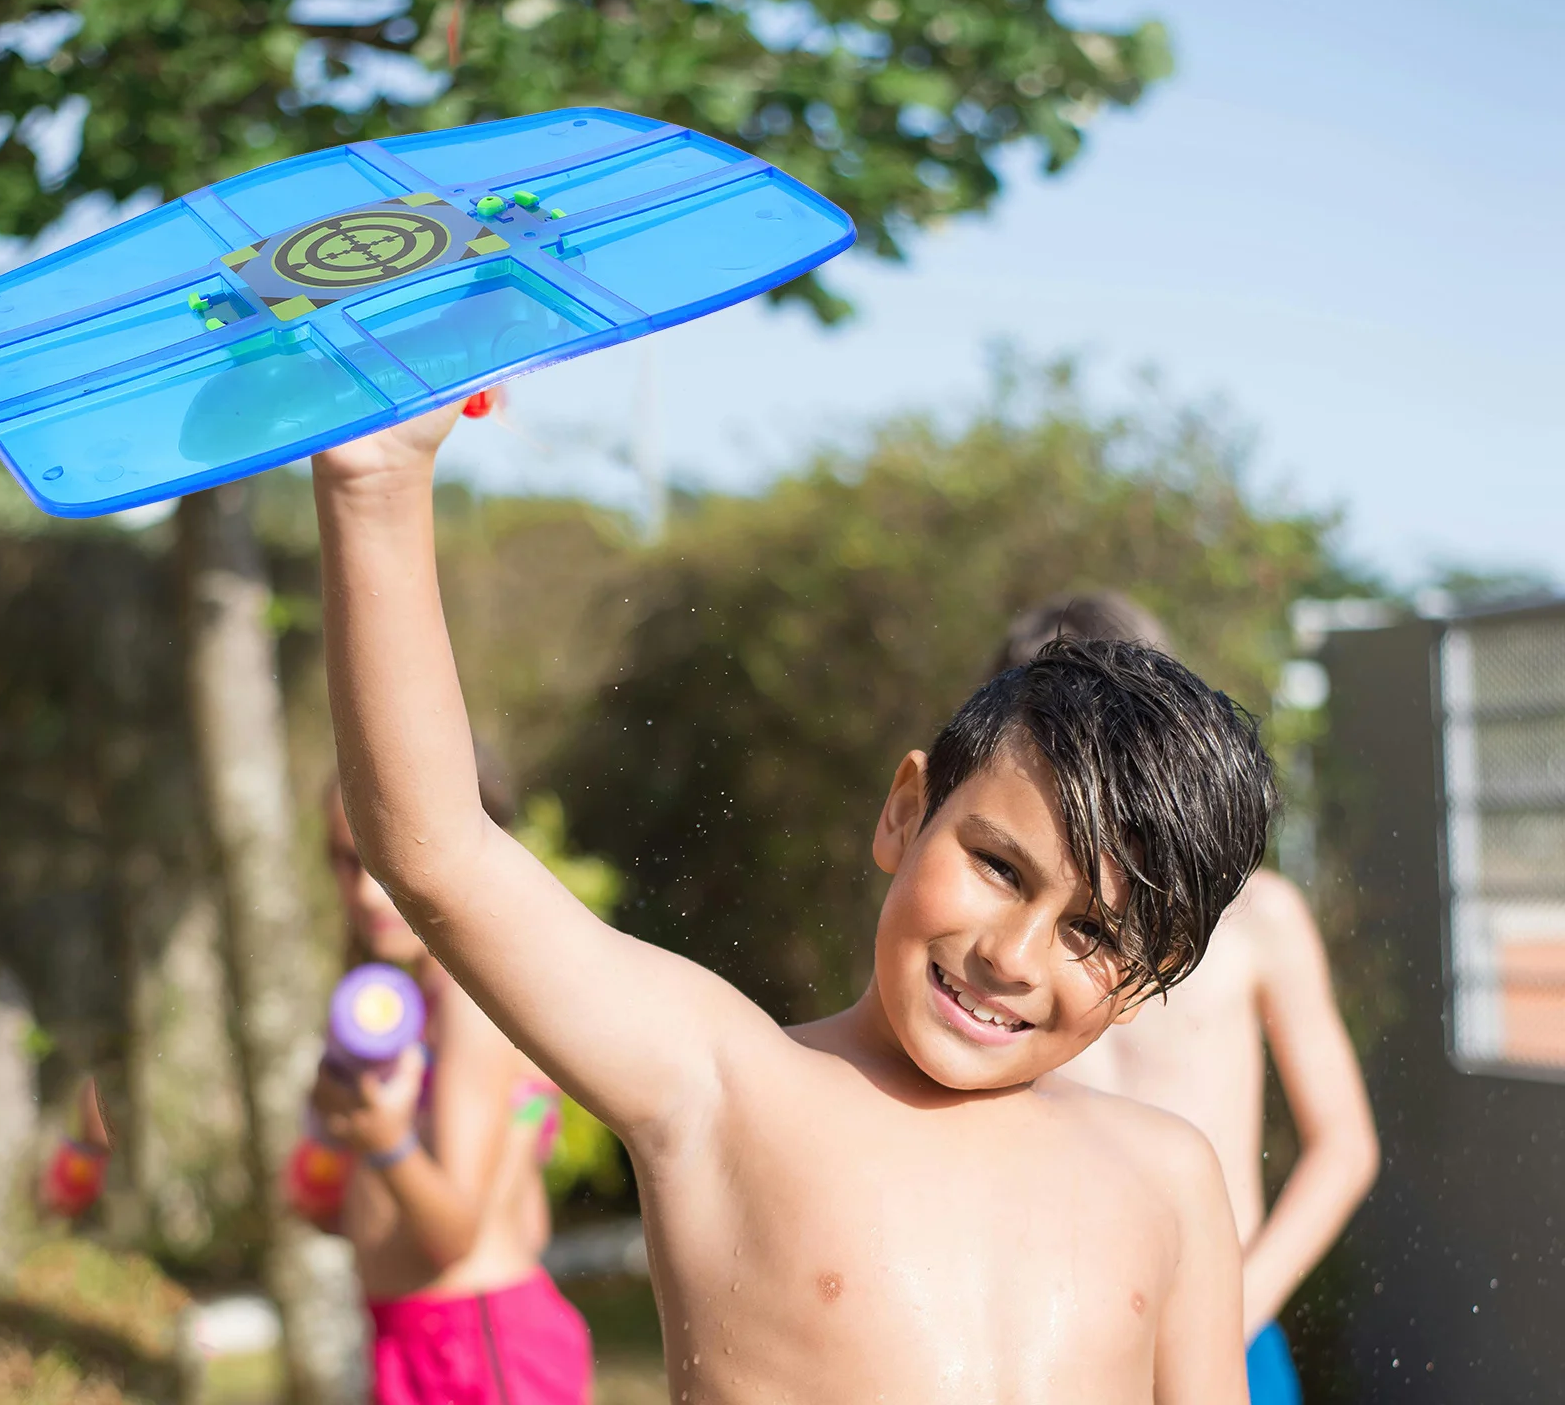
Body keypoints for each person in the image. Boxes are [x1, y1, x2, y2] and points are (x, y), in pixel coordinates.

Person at [310, 402, 1281, 1404]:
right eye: (999, 867)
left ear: (1136, 983)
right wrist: (376, 488)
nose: (1013, 954)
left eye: (1091, 931)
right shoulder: (726, 1088)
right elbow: (437, 853)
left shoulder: (1168, 1177)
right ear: (904, 813)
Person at [994, 593, 1380, 1405]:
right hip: (1050, 1327)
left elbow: (1344, 1145)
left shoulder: (1260, 918)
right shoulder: (1000, 941)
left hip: (1232, 1318)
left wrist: (1236, 1305)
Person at [294, 759, 592, 1405]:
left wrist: (382, 1141)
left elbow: (452, 1235)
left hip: (478, 1347)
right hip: (414, 1338)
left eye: (385, 860)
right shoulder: (400, 1003)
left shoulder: (469, 997)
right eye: (348, 862)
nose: (369, 893)